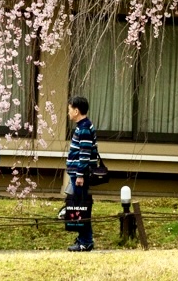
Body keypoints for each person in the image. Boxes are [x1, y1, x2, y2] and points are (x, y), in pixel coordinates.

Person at [66, 95, 99, 252]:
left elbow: (84, 154)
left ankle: (85, 241)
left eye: (70, 109)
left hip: (80, 175)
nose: (68, 112)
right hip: (78, 173)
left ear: (76, 110)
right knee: (80, 207)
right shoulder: (83, 126)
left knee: (81, 207)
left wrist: (79, 175)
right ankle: (84, 239)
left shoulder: (84, 127)